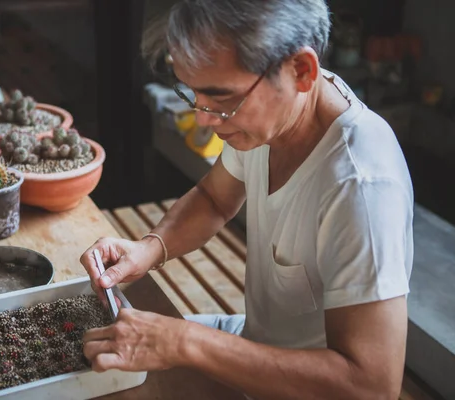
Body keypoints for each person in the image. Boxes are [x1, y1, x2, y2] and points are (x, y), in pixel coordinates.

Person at [80, 0, 414, 398]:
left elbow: (371, 387)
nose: (204, 118)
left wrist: (186, 342)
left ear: (301, 71)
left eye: (221, 99)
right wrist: (148, 249)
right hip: (255, 343)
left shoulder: (361, 187)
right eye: (195, 95)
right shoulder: (273, 114)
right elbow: (214, 199)